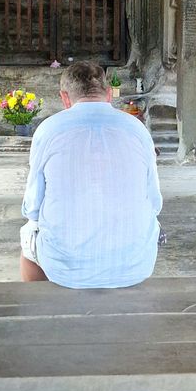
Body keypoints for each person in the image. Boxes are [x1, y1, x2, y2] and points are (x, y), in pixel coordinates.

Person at [19, 61, 162, 288]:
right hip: (134, 265)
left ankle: (41, 304)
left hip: (64, 269)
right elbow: (154, 202)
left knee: (29, 234)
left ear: (65, 98)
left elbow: (32, 207)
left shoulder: (49, 130)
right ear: (108, 94)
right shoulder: (137, 129)